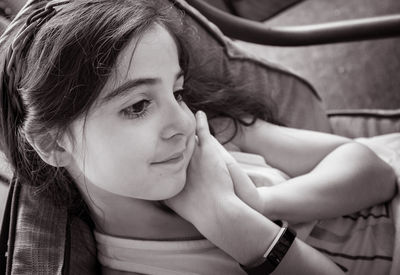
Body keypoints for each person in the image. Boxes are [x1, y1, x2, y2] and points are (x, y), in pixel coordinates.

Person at [0, 0, 397, 274]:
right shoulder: (143, 268)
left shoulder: (213, 137)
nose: (184, 121)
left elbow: (375, 171)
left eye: (176, 92)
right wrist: (228, 221)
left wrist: (260, 201)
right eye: (137, 105)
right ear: (53, 144)